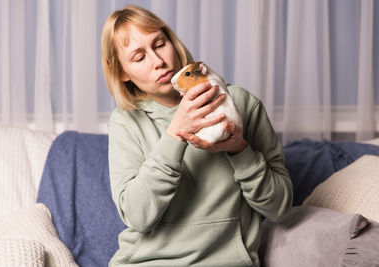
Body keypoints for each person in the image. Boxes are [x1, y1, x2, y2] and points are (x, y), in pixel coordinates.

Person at [101, 5, 293, 267]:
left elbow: (279, 207)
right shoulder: (126, 122)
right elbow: (137, 216)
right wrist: (175, 134)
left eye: (159, 44)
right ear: (123, 74)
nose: (159, 61)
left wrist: (240, 149)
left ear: (172, 41)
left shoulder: (241, 104)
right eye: (139, 57)